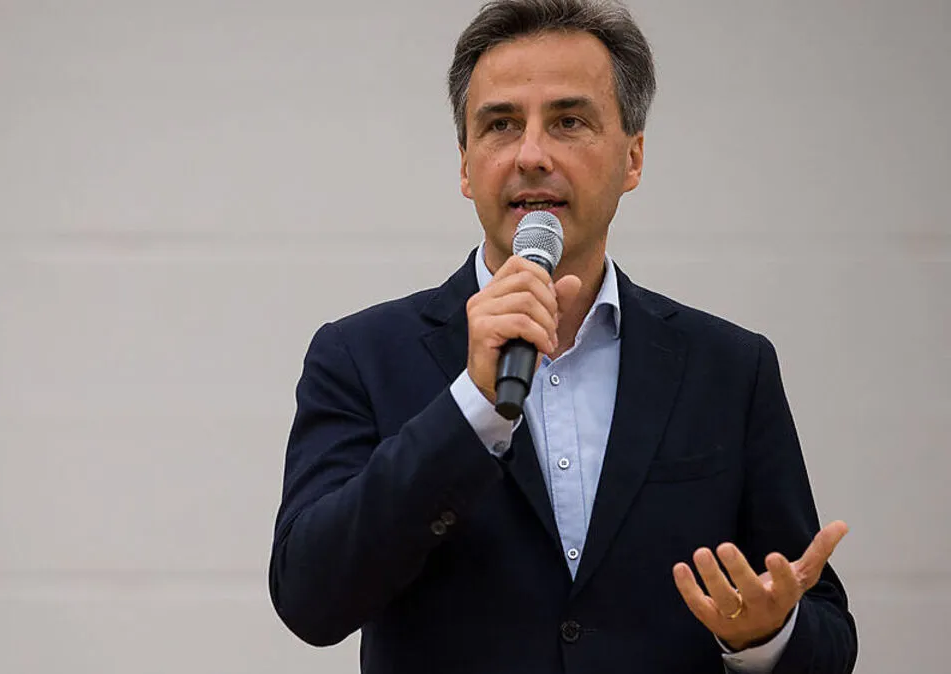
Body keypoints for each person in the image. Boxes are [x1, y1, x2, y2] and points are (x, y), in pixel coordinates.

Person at [267, 0, 857, 671]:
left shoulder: (729, 368)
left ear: (632, 158)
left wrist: (764, 637)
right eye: (500, 125)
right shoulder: (361, 356)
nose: (531, 155)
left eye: (568, 122)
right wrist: (471, 408)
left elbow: (824, 630)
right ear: (465, 165)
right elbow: (309, 598)